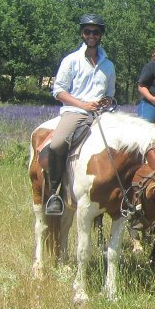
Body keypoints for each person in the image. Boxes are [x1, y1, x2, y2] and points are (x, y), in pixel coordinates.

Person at [45, 14, 116, 216]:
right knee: (58, 143)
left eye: (95, 32)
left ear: (101, 34)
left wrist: (106, 102)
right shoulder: (71, 61)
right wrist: (84, 104)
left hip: (102, 114)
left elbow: (110, 94)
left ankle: (123, 196)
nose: (91, 35)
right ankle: (54, 193)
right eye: (87, 31)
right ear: (82, 34)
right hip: (75, 112)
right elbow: (59, 91)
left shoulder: (109, 65)